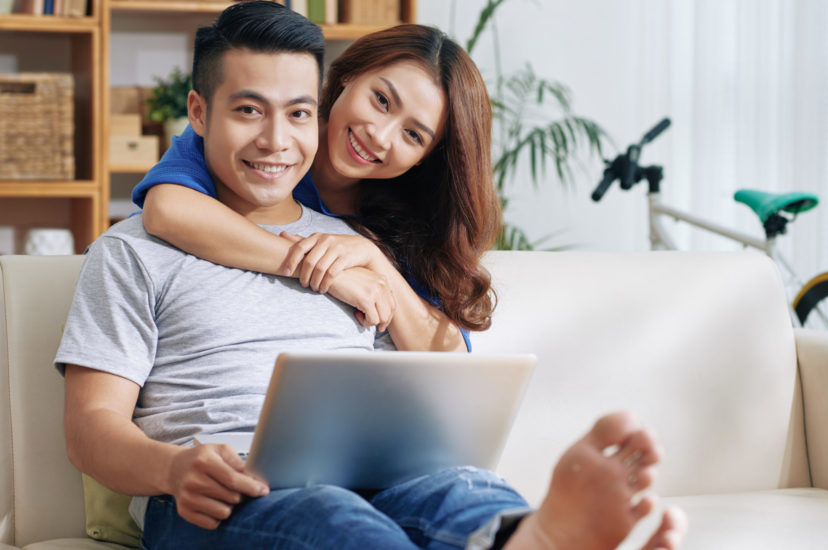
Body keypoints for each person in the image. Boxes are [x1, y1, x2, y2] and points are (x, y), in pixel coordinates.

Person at [57, 2, 687, 549]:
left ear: (317, 107)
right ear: (199, 114)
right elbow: (91, 430)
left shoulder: (364, 245)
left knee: (462, 492)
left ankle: (524, 537)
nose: (276, 140)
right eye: (249, 110)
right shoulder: (141, 244)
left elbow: (441, 381)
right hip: (223, 491)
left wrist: (376, 269)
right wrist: (171, 469)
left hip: (372, 478)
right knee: (328, 515)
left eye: (297, 114)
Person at [133, 22, 502, 354]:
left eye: (412, 135)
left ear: (425, 156)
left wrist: (375, 262)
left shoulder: (408, 218)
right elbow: (167, 209)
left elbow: (449, 359)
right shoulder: (263, 134)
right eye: (382, 101)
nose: (380, 135)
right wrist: (329, 273)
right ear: (349, 75)